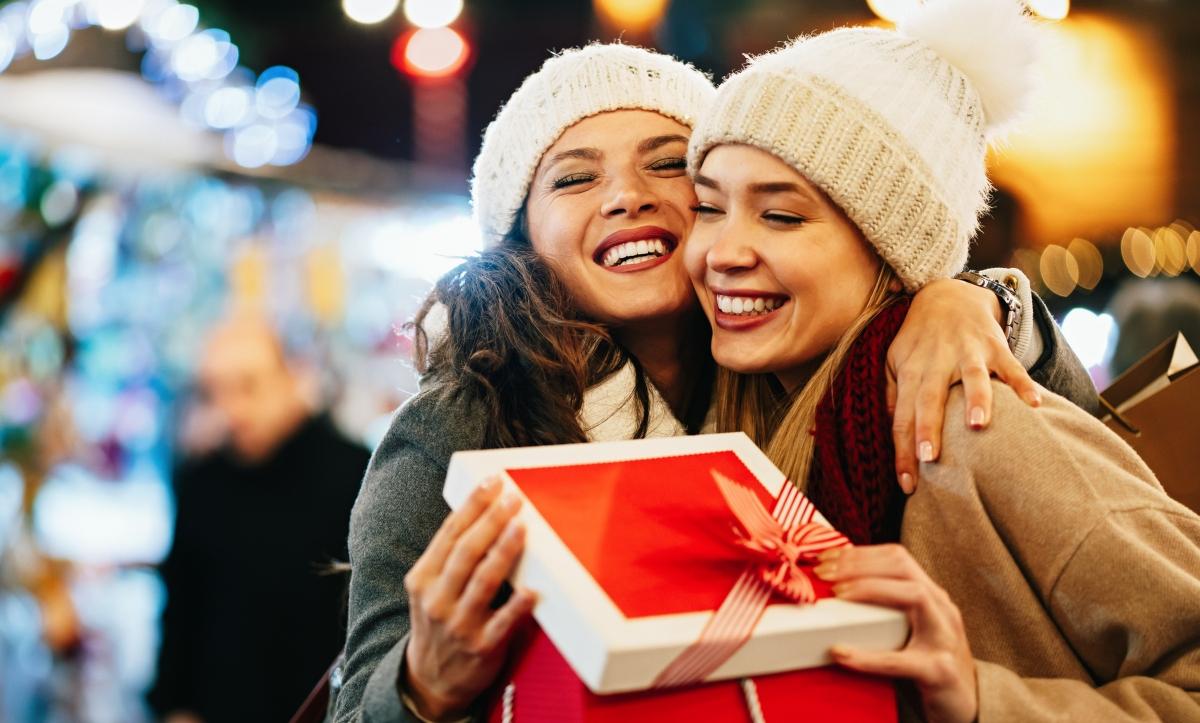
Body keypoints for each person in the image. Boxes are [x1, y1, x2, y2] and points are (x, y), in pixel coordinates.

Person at [335, 43, 1097, 722]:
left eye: (667, 163)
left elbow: (1075, 430)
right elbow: (355, 698)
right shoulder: (460, 423)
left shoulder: (785, 362)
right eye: (573, 177)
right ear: (519, 235)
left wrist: (971, 303)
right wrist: (419, 687)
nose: (627, 194)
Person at [683, 0, 1200, 720]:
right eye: (708, 207)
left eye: (781, 214)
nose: (722, 253)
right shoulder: (734, 420)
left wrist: (983, 697)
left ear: (893, 252)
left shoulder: (975, 429)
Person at [150, 316, 369, 723]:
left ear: (291, 376)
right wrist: (174, 706)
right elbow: (181, 607)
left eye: (248, 386)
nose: (232, 411)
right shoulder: (201, 480)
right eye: (215, 393)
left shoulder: (353, 471)